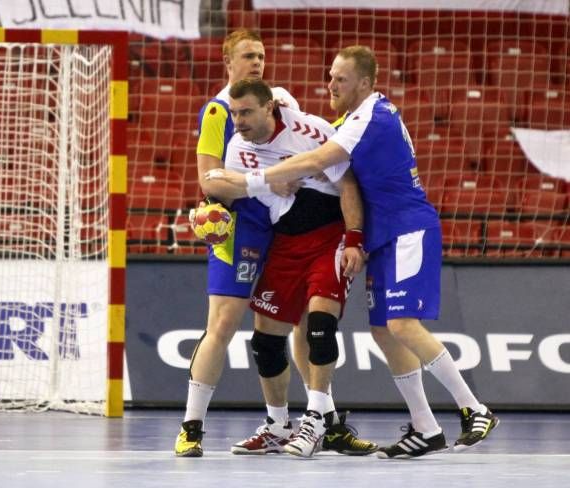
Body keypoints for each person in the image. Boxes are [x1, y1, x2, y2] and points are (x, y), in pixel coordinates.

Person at [206, 45, 500, 459]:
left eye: (339, 79)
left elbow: (317, 159)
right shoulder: (350, 119)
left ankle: (474, 408)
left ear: (364, 83)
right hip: (380, 234)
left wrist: (255, 181)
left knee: (401, 325)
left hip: (407, 228)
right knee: (383, 330)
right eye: (329, 75)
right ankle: (426, 426)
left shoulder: (368, 118)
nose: (330, 84)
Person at [175, 30, 370, 458]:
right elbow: (211, 182)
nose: (257, 62)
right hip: (244, 227)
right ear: (228, 61)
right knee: (225, 324)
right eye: (248, 56)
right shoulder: (217, 112)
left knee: (306, 325)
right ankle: (192, 426)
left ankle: (324, 424)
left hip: (284, 229)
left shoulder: (284, 101)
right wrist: (219, 203)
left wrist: (293, 177)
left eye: (261, 55)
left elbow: (310, 157)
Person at [224, 79, 377, 458]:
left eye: (246, 112)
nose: (238, 121)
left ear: (269, 109)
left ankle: (316, 419)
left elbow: (349, 185)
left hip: (329, 236)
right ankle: (277, 425)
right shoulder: (236, 147)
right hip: (285, 244)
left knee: (321, 328)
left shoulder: (311, 130)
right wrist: (265, 187)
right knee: (265, 341)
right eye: (234, 113)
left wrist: (355, 238)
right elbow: (225, 186)